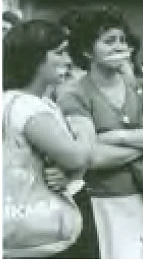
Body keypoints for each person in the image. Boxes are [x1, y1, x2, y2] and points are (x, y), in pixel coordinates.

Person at [57, 7, 143, 259]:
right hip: (104, 202)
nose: (119, 47)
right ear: (88, 50)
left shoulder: (142, 88)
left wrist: (117, 137)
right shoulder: (74, 94)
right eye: (109, 41)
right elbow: (91, 156)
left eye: (123, 41)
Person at [3, 20, 95, 257]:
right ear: (33, 57)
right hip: (43, 231)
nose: (68, 60)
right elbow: (75, 156)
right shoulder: (28, 107)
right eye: (59, 52)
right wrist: (85, 127)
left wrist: (67, 173)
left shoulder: (21, 102)